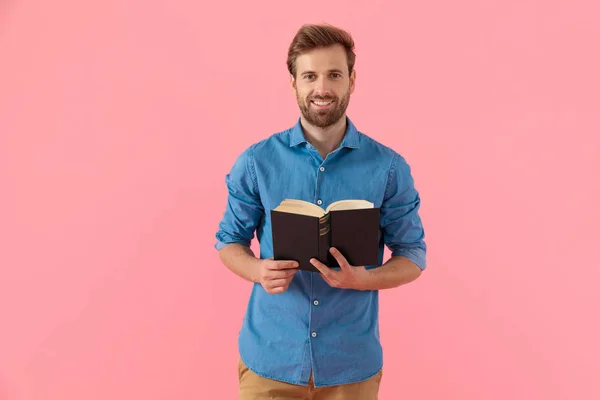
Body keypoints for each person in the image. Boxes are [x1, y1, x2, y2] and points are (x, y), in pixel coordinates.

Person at [215, 23, 427, 400]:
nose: (323, 88)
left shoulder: (389, 168)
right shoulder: (256, 162)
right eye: (310, 75)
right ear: (294, 82)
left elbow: (412, 256)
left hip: (351, 367)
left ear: (352, 80)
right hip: (269, 361)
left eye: (334, 74)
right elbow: (229, 241)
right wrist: (257, 271)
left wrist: (363, 280)